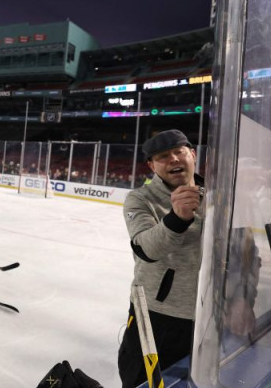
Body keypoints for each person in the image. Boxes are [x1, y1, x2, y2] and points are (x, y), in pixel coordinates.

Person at [117, 129, 203, 388]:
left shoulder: (218, 196)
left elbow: (243, 249)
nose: (174, 159)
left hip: (209, 315)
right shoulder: (140, 199)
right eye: (163, 156)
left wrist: (243, 297)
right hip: (157, 316)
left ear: (193, 155)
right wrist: (177, 218)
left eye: (179, 152)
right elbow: (145, 248)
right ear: (152, 165)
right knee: (142, 381)